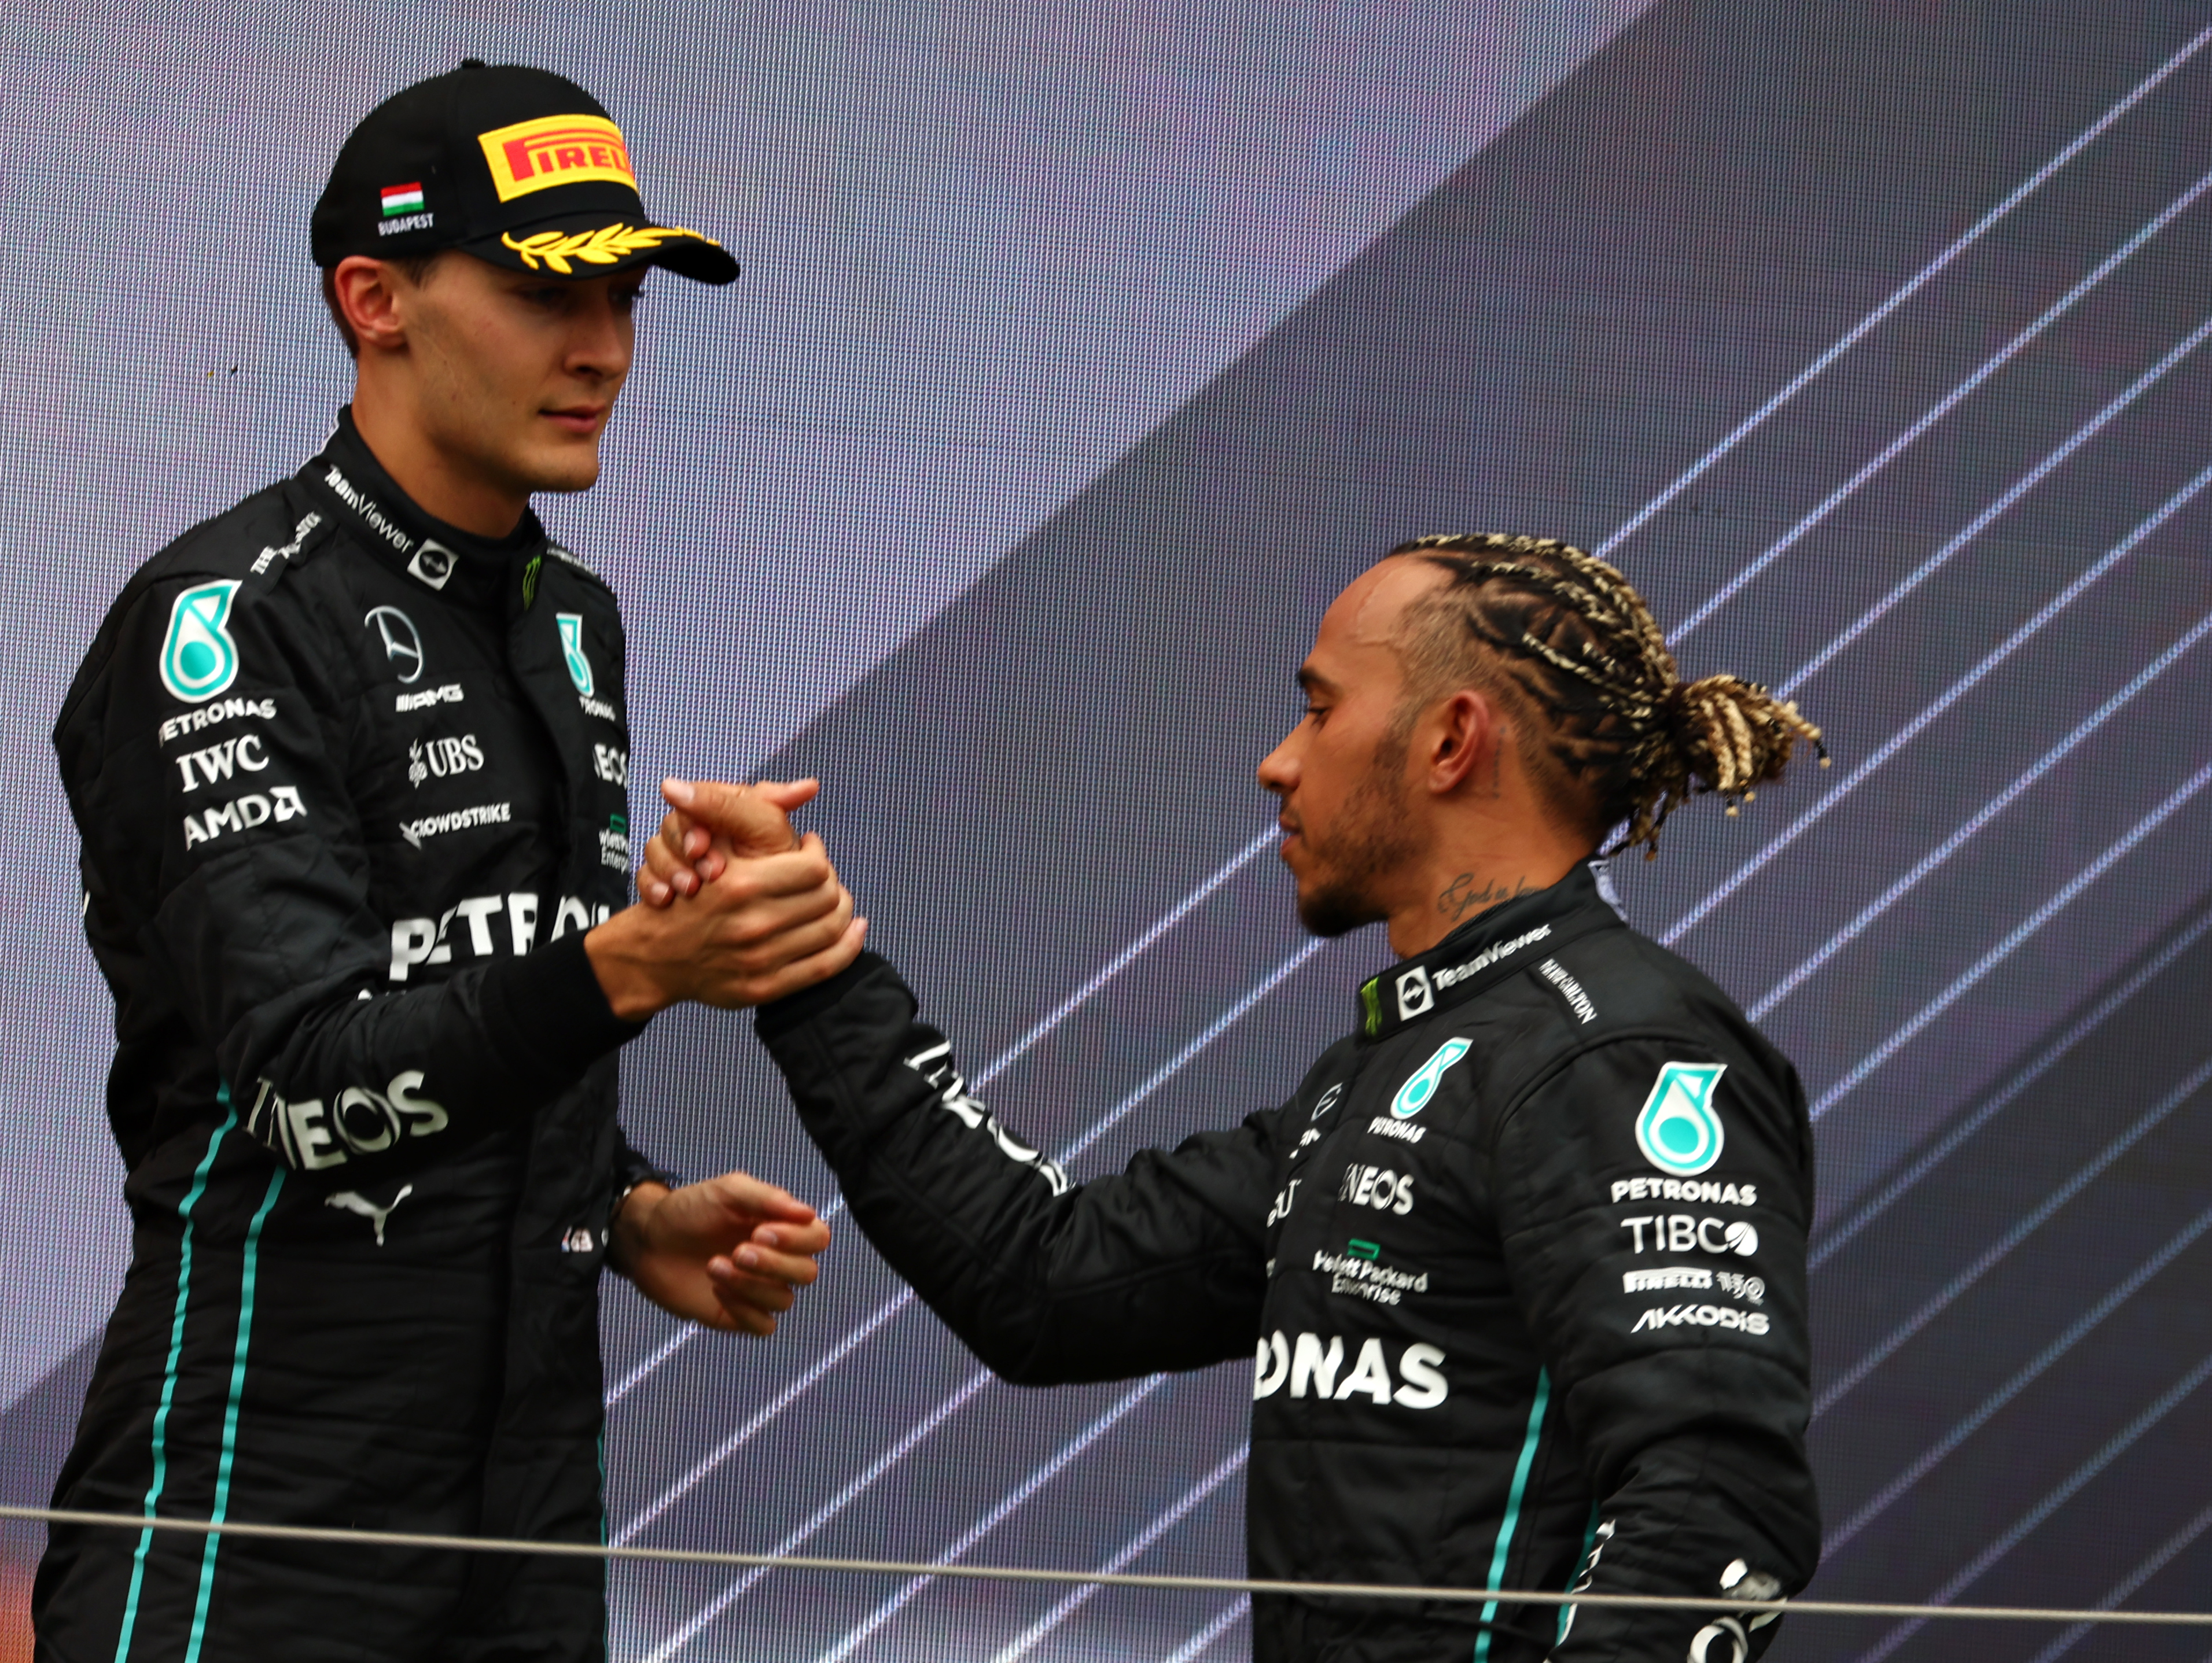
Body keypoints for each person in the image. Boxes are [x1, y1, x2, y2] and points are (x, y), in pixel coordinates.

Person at [645, 534, 1828, 1661]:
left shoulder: (1615, 1051)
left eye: (1319, 708)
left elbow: (1717, 1500)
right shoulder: (1407, 1065)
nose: (1280, 757)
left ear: (1451, 739)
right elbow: (1040, 1280)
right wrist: (810, 967)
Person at [38, 62, 864, 1663]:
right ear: (374, 299)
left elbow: (478, 994)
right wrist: (636, 964)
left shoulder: (571, 619)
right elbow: (303, 1083)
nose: (604, 347)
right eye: (544, 289)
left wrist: (624, 1209)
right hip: (258, 1516)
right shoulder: (229, 623)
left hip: (527, 1519)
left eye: (624, 291)